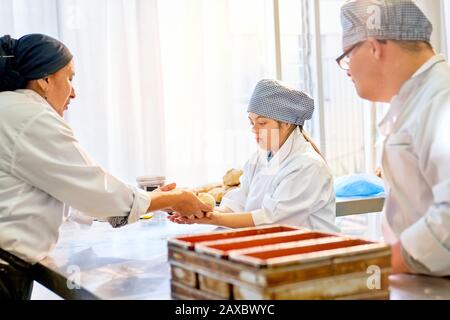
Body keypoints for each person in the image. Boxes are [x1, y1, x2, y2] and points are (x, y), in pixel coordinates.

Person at [0, 33, 212, 299]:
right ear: (44, 80)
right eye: (70, 78)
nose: (74, 92)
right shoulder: (30, 116)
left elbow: (67, 192)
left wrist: (154, 199)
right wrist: (175, 198)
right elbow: (95, 190)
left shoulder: (11, 109)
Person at [338, 0, 450, 276]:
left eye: (347, 57)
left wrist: (371, 265)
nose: (348, 71)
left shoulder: (441, 98)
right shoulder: (418, 100)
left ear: (373, 46)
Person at [170, 79, 339, 233]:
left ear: (286, 123)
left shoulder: (308, 166)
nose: (254, 129)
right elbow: (238, 204)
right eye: (252, 122)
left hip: (311, 256)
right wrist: (200, 212)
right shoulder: (259, 160)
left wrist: (211, 218)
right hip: (274, 251)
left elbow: (272, 221)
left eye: (262, 123)